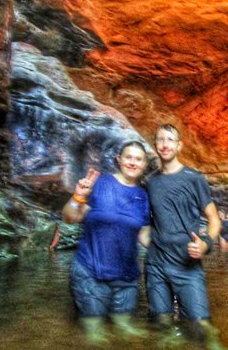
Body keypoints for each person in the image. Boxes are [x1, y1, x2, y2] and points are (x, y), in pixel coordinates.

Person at [62, 141, 151, 342]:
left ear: (144, 165)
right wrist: (77, 197)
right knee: (95, 334)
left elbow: (144, 234)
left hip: (127, 277)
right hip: (91, 272)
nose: (133, 162)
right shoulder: (100, 184)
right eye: (128, 157)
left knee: (125, 328)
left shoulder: (143, 196)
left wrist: (172, 248)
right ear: (119, 160)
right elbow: (69, 217)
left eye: (138, 159)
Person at [145, 123, 221, 342]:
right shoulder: (150, 181)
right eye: (160, 139)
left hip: (187, 264)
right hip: (156, 265)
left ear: (179, 146)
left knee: (201, 326)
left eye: (170, 140)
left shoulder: (194, 178)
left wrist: (205, 243)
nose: (165, 144)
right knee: (161, 324)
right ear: (155, 145)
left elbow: (214, 219)